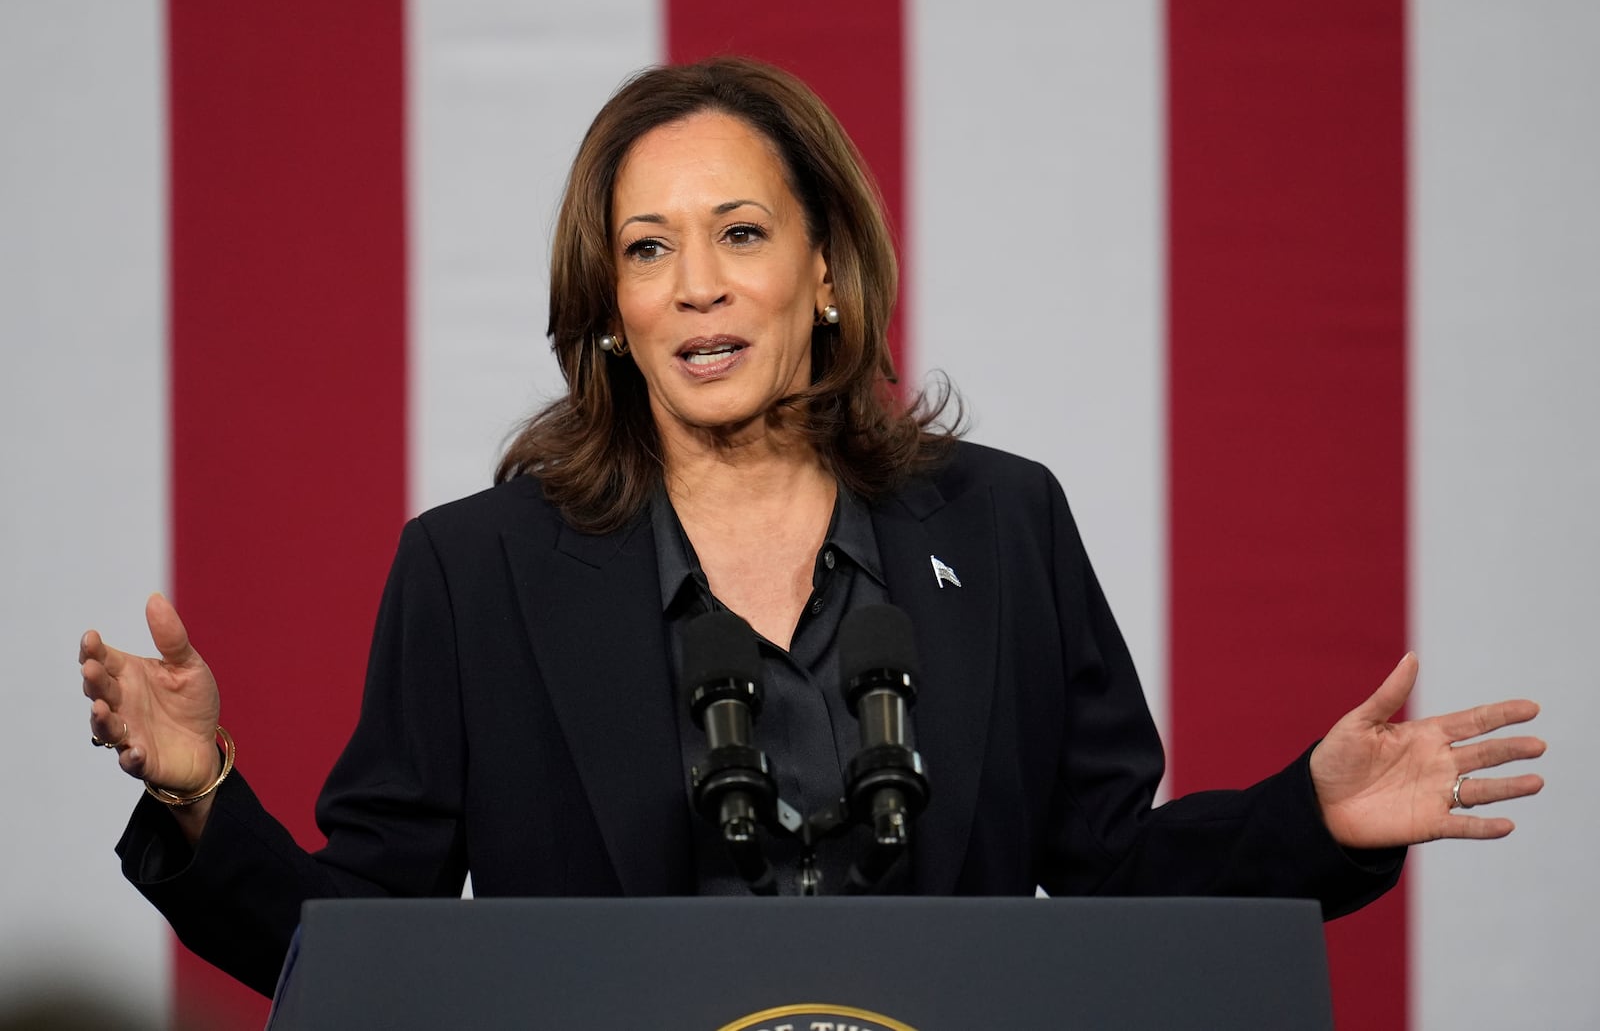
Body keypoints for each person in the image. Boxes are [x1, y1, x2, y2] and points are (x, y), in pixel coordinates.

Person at [80, 57, 1545, 998]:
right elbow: (362, 958)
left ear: (829, 271)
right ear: (610, 310)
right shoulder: (478, 572)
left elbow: (1106, 881)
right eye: (648, 250)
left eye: (740, 234)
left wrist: (1314, 816)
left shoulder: (1006, 526)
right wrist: (205, 796)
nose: (697, 285)